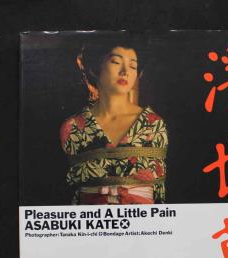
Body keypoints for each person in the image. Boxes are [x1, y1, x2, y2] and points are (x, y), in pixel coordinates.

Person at [59, 39, 168, 205]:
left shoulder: (153, 124)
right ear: (96, 68)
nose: (125, 72)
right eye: (116, 62)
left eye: (133, 66)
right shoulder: (73, 127)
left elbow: (159, 190)